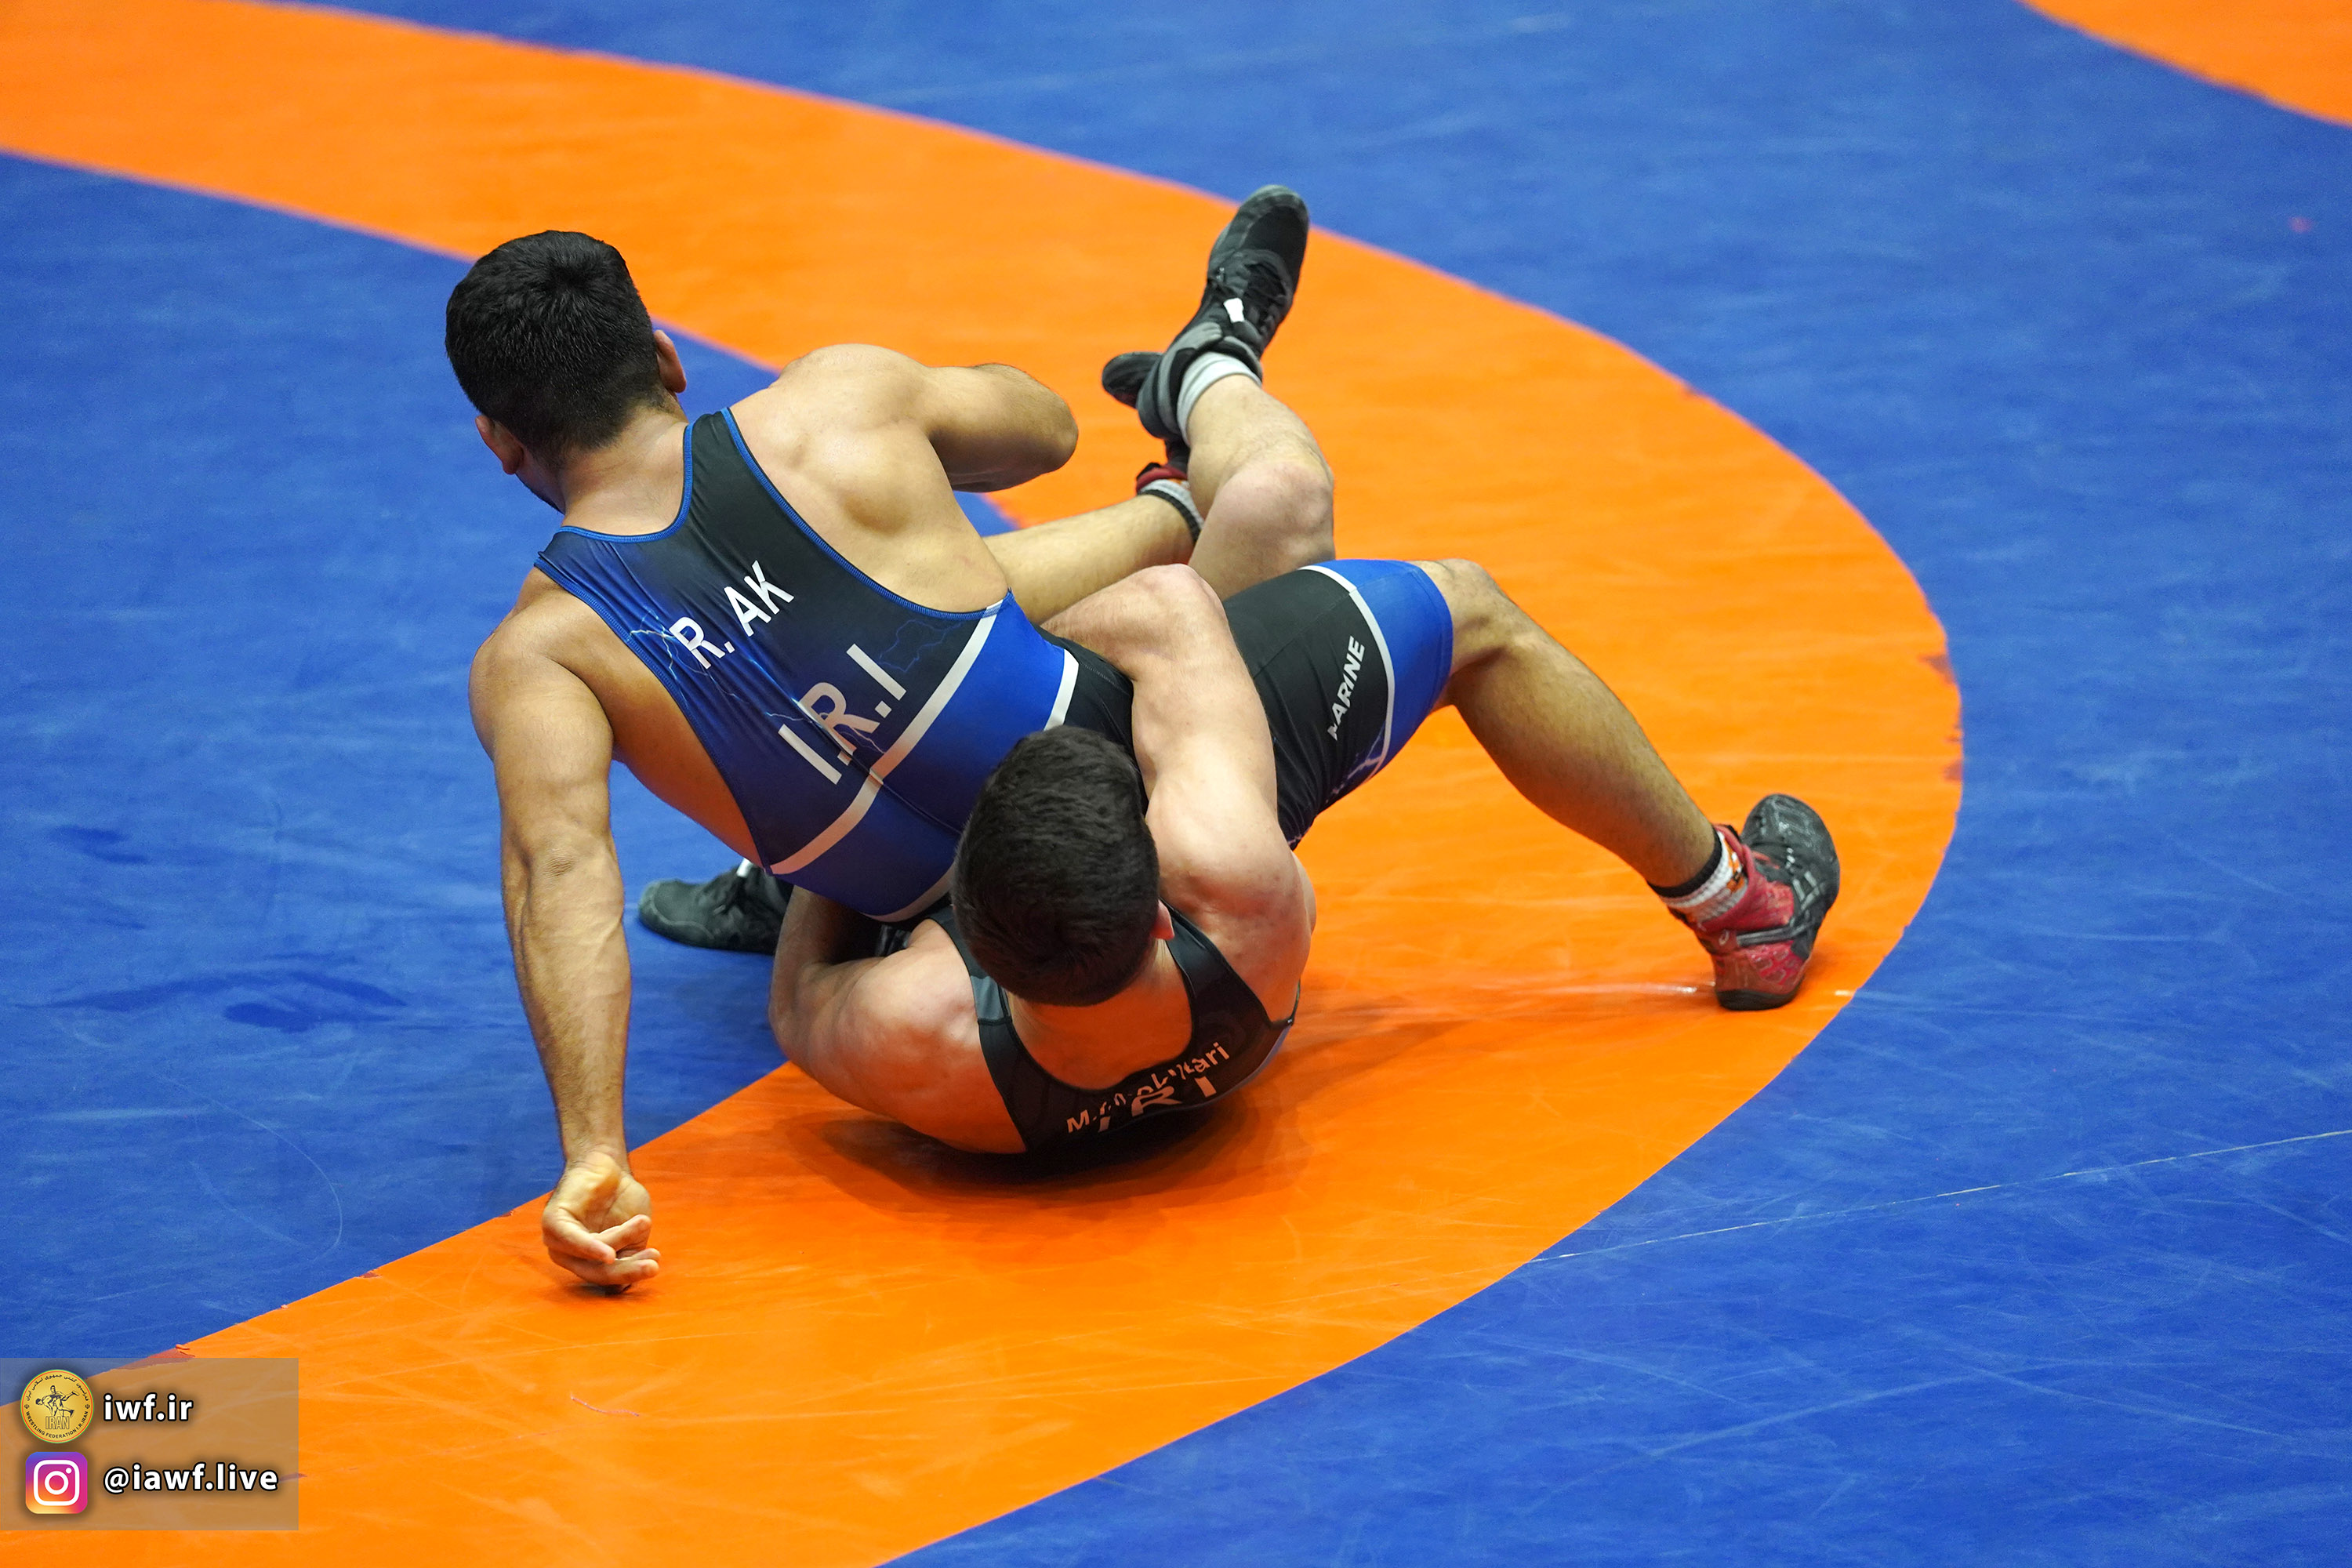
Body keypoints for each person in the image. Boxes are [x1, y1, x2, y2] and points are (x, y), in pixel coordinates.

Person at [455, 190, 1332, 1286]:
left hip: (995, 835)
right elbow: (1049, 428)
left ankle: (1205, 365)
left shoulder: (539, 653)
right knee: (1271, 510)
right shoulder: (832, 405)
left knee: (902, 662)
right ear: (667, 358)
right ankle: (1202, 417)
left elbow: (560, 875)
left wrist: (596, 1151)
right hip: (1017, 856)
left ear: (500, 443)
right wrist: (906, 456)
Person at [765, 538, 1839, 1156]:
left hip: (1025, 1095)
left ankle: (1198, 446)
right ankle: (1742, 909)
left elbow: (801, 988)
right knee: (1464, 610)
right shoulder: (1235, 880)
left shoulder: (916, 1038)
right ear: (1160, 912)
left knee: (1264, 514)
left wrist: (871, 806)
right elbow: (1169, 604)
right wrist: (981, 696)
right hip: (1229, 1019)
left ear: (963, 923)